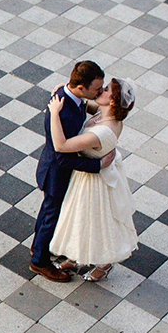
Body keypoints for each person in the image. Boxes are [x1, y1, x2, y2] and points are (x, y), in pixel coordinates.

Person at [46, 76, 138, 282]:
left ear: (113, 101)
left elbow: (61, 145)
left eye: (105, 90)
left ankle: (104, 264)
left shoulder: (103, 131)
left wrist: (54, 113)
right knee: (80, 219)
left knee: (95, 222)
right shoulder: (105, 111)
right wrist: (65, 89)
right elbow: (86, 102)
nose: (100, 91)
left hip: (95, 182)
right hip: (86, 175)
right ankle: (76, 256)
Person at [30, 61, 108, 282]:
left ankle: (39, 248)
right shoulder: (62, 112)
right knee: (51, 216)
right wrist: (98, 166)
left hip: (55, 170)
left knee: (49, 212)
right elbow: (62, 156)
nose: (100, 91)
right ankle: (40, 262)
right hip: (56, 173)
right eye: (97, 89)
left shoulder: (70, 96)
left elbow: (83, 108)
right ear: (81, 88)